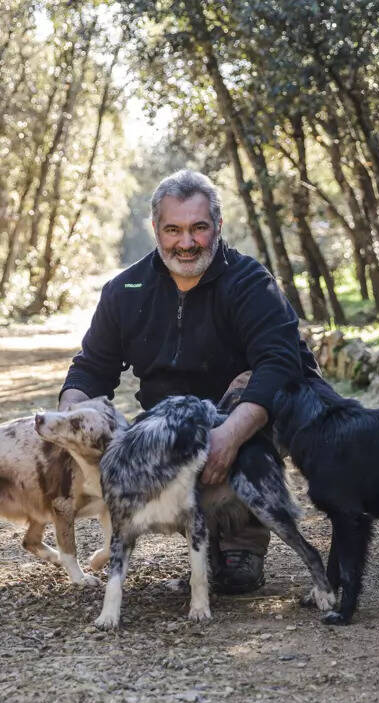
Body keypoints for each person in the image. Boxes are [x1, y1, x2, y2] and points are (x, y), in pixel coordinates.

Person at [59, 169, 321, 593]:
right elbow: (91, 369)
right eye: (173, 230)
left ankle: (243, 538)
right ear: (156, 230)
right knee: (141, 430)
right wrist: (68, 416)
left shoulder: (250, 282)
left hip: (248, 418)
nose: (186, 242)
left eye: (198, 228)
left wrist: (231, 436)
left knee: (251, 384)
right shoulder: (125, 289)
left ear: (217, 226)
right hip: (178, 423)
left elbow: (280, 364)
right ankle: (205, 535)